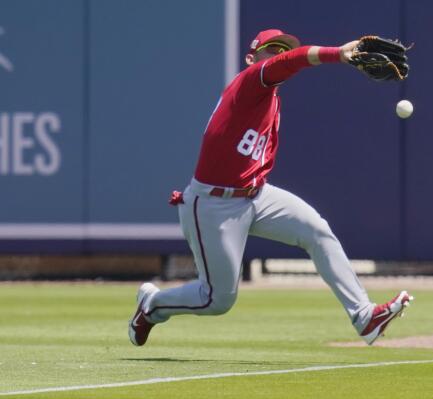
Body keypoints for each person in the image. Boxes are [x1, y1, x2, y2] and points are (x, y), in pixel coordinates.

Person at [128, 29, 413, 347]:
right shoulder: (250, 82)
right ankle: (152, 306)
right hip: (213, 205)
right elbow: (292, 61)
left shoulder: (270, 101)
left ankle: (365, 316)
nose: (276, 54)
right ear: (252, 58)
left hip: (255, 195)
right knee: (217, 300)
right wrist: (338, 53)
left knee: (317, 231)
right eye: (270, 50)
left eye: (280, 49)